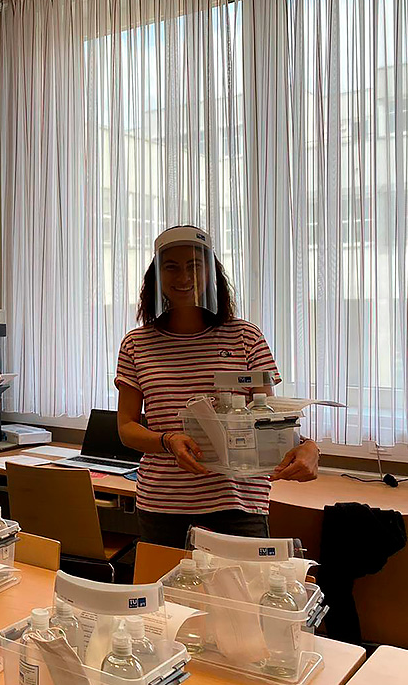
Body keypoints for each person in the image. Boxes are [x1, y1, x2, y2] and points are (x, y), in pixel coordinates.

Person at [115, 226, 319, 548]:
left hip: (238, 501)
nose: (184, 277)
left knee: (242, 583)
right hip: (163, 504)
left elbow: (266, 420)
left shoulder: (245, 337)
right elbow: (126, 427)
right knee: (167, 582)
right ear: (156, 277)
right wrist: (167, 441)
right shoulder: (136, 344)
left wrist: (308, 446)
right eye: (171, 267)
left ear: (211, 272)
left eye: (195, 265)